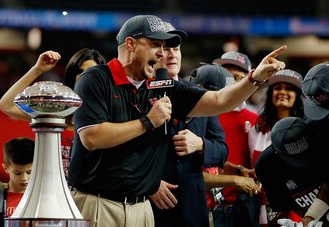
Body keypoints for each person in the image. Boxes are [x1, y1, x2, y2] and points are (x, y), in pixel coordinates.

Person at [67, 14, 287, 227]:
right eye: (155, 44)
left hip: (141, 209)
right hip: (97, 203)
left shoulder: (162, 86)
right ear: (131, 44)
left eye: (166, 47)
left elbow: (219, 100)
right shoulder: (95, 78)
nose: (162, 53)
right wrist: (148, 121)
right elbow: (92, 137)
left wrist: (254, 78)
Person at [149, 32, 230, 226]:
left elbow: (222, 150)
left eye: (175, 49)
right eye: (165, 49)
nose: (172, 55)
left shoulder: (199, 95)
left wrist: (200, 144)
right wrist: (148, 185)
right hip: (153, 204)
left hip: (193, 207)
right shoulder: (140, 93)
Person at [0, 48, 106, 178]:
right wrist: (37, 69)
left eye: (90, 73)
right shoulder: (56, 110)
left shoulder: (109, 114)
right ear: (72, 75)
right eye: (80, 72)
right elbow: (6, 105)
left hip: (88, 194)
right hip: (51, 192)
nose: (84, 77)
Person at [248, 69, 304, 226]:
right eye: (278, 88)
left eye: (289, 88)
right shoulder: (257, 129)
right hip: (262, 206)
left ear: (298, 95)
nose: (282, 92)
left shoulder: (307, 129)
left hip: (300, 204)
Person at [212, 51, 261, 226]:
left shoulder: (256, 119)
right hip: (209, 204)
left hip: (243, 204)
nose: (232, 83)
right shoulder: (204, 113)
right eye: (228, 76)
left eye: (239, 78)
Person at [254, 116, 328, 227]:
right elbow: (288, 203)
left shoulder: (323, 134)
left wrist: (312, 216)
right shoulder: (266, 167)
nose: (306, 165)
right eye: (298, 159)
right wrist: (310, 221)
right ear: (278, 153)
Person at [0, 137, 34, 226]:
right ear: (5, 168)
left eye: (29, 172)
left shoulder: (44, 196)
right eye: (17, 173)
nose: (24, 178)